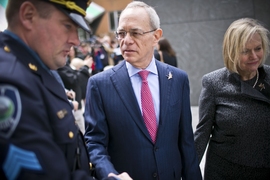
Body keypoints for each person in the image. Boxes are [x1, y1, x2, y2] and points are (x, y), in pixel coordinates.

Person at [0, 0, 132, 179]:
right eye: (67, 25)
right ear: (28, 15)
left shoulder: (35, 70)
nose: (76, 40)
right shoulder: (11, 81)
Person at [84, 1, 202, 180]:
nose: (126, 40)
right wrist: (110, 175)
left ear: (156, 36)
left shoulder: (178, 79)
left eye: (135, 33)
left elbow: (186, 142)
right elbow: (94, 143)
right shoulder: (99, 85)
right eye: (121, 33)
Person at [194, 18, 270, 179]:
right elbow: (202, 132)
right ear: (232, 51)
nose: (254, 56)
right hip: (226, 172)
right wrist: (188, 171)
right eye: (245, 51)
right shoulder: (214, 83)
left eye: (258, 48)